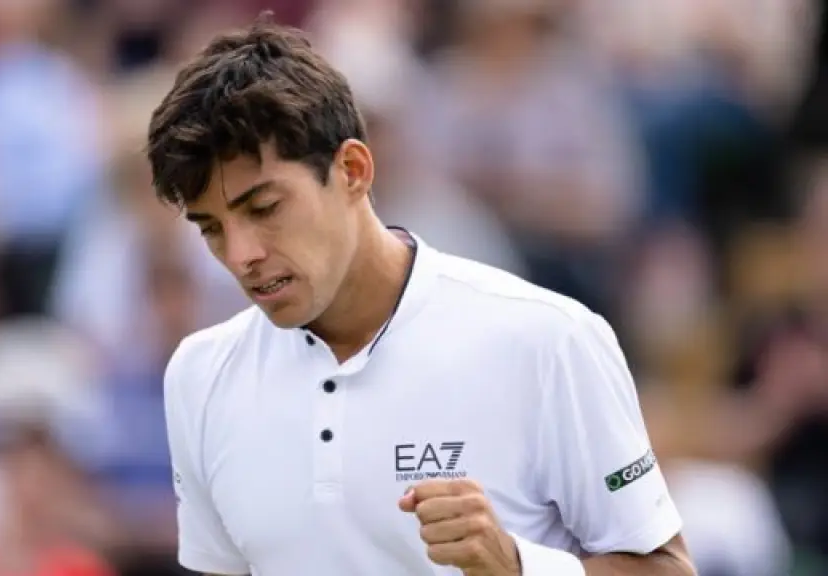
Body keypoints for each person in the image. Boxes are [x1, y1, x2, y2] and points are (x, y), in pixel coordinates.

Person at [146, 14, 695, 576]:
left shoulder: (548, 339)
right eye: (211, 228)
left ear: (353, 170)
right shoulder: (199, 374)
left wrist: (517, 567)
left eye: (264, 209)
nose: (240, 256)